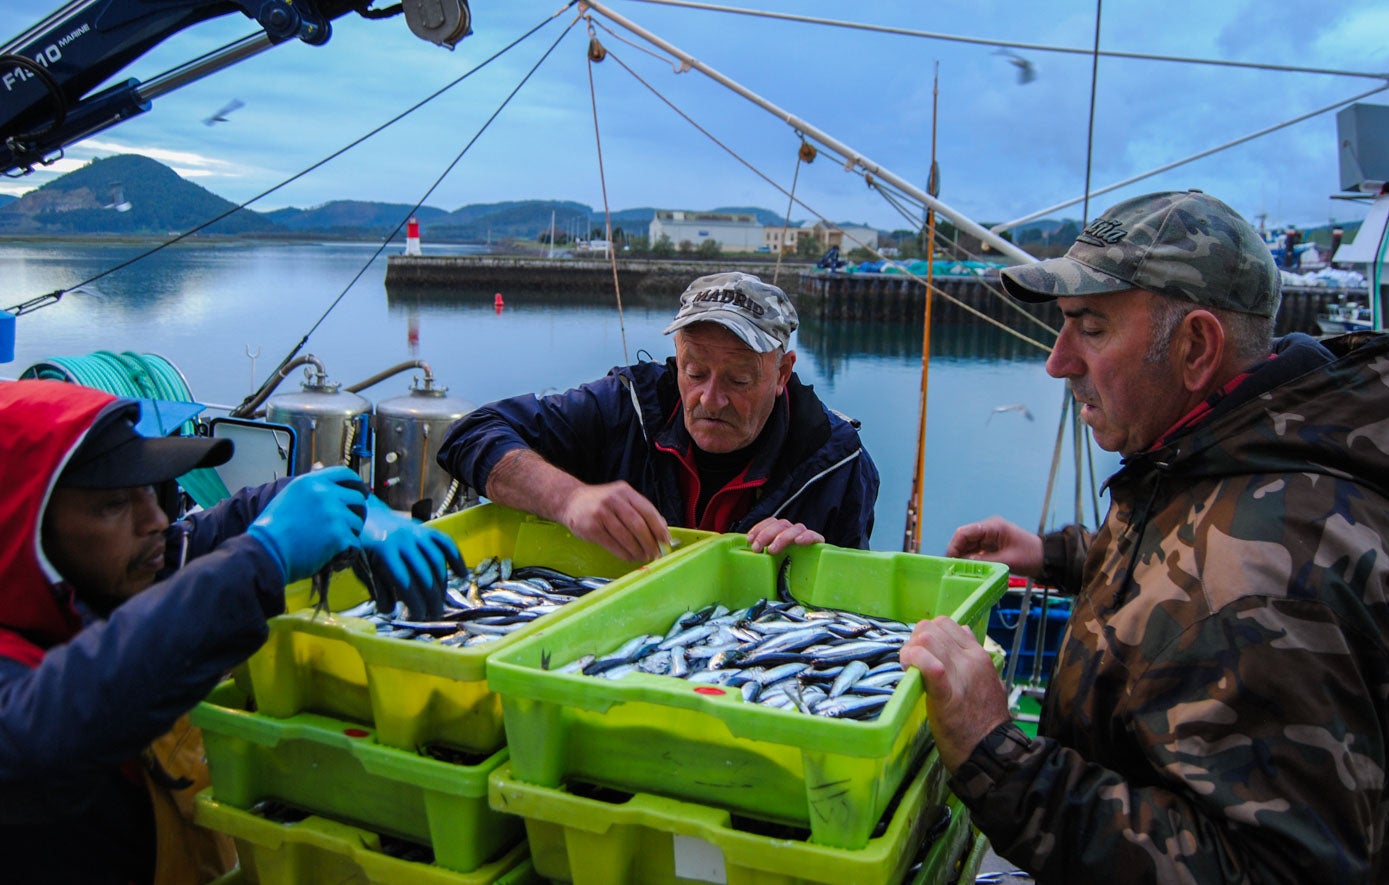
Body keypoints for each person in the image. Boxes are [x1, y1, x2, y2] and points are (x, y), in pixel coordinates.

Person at [900, 190, 1388, 883]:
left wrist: (994, 751)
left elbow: (1270, 869)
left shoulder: (1268, 577)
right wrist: (1057, 555)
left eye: (1089, 327)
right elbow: (1179, 549)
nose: (1057, 361)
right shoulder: (1222, 445)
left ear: (1194, 346)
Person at [0, 379, 464, 884]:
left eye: (154, 492)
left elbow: (241, 517)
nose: (156, 520)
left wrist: (359, 511)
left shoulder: (113, 573)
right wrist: (262, 559)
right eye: (113, 505)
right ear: (26, 529)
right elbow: (35, 745)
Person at [437, 271, 880, 560]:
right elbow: (469, 435)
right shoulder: (626, 406)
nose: (711, 398)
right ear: (677, 356)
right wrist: (568, 498)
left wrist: (821, 562)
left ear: (783, 372)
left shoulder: (837, 461)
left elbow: (856, 614)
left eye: (739, 381)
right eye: (695, 372)